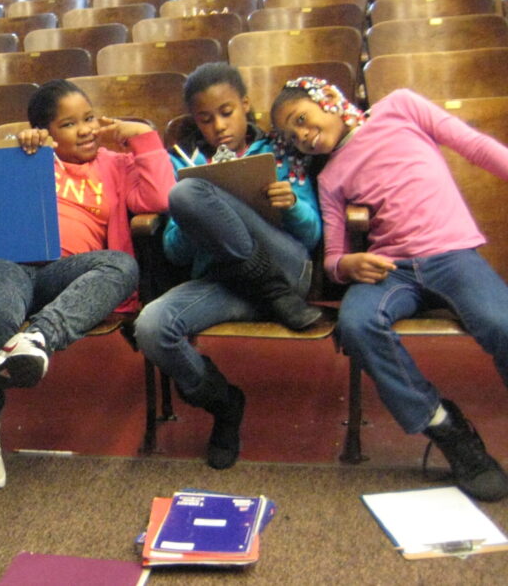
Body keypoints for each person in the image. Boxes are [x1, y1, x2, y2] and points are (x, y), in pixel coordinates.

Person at [273, 77, 508, 501]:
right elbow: (333, 257)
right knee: (357, 324)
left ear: (326, 99)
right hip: (393, 269)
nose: (303, 136)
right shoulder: (329, 180)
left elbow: (473, 145)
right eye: (293, 136)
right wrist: (349, 264)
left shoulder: (399, 106)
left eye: (301, 120)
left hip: (451, 254)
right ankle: (444, 426)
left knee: (501, 322)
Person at [0, 79, 174, 491]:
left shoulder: (113, 164)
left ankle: (38, 339)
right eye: (70, 124)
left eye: (89, 118)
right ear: (47, 132)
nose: (87, 129)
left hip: (66, 277)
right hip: (4, 266)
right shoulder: (32, 156)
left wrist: (142, 137)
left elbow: (161, 198)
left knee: (120, 265)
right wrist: (16, 153)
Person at [134, 63, 322, 470]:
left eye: (226, 112)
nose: (218, 126)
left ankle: (269, 287)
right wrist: (196, 216)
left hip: (288, 281)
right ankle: (224, 404)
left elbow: (311, 236)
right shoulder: (187, 163)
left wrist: (291, 206)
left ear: (245, 106)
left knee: (188, 192)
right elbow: (175, 253)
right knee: (151, 327)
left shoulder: (279, 152)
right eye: (205, 119)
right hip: (226, 285)